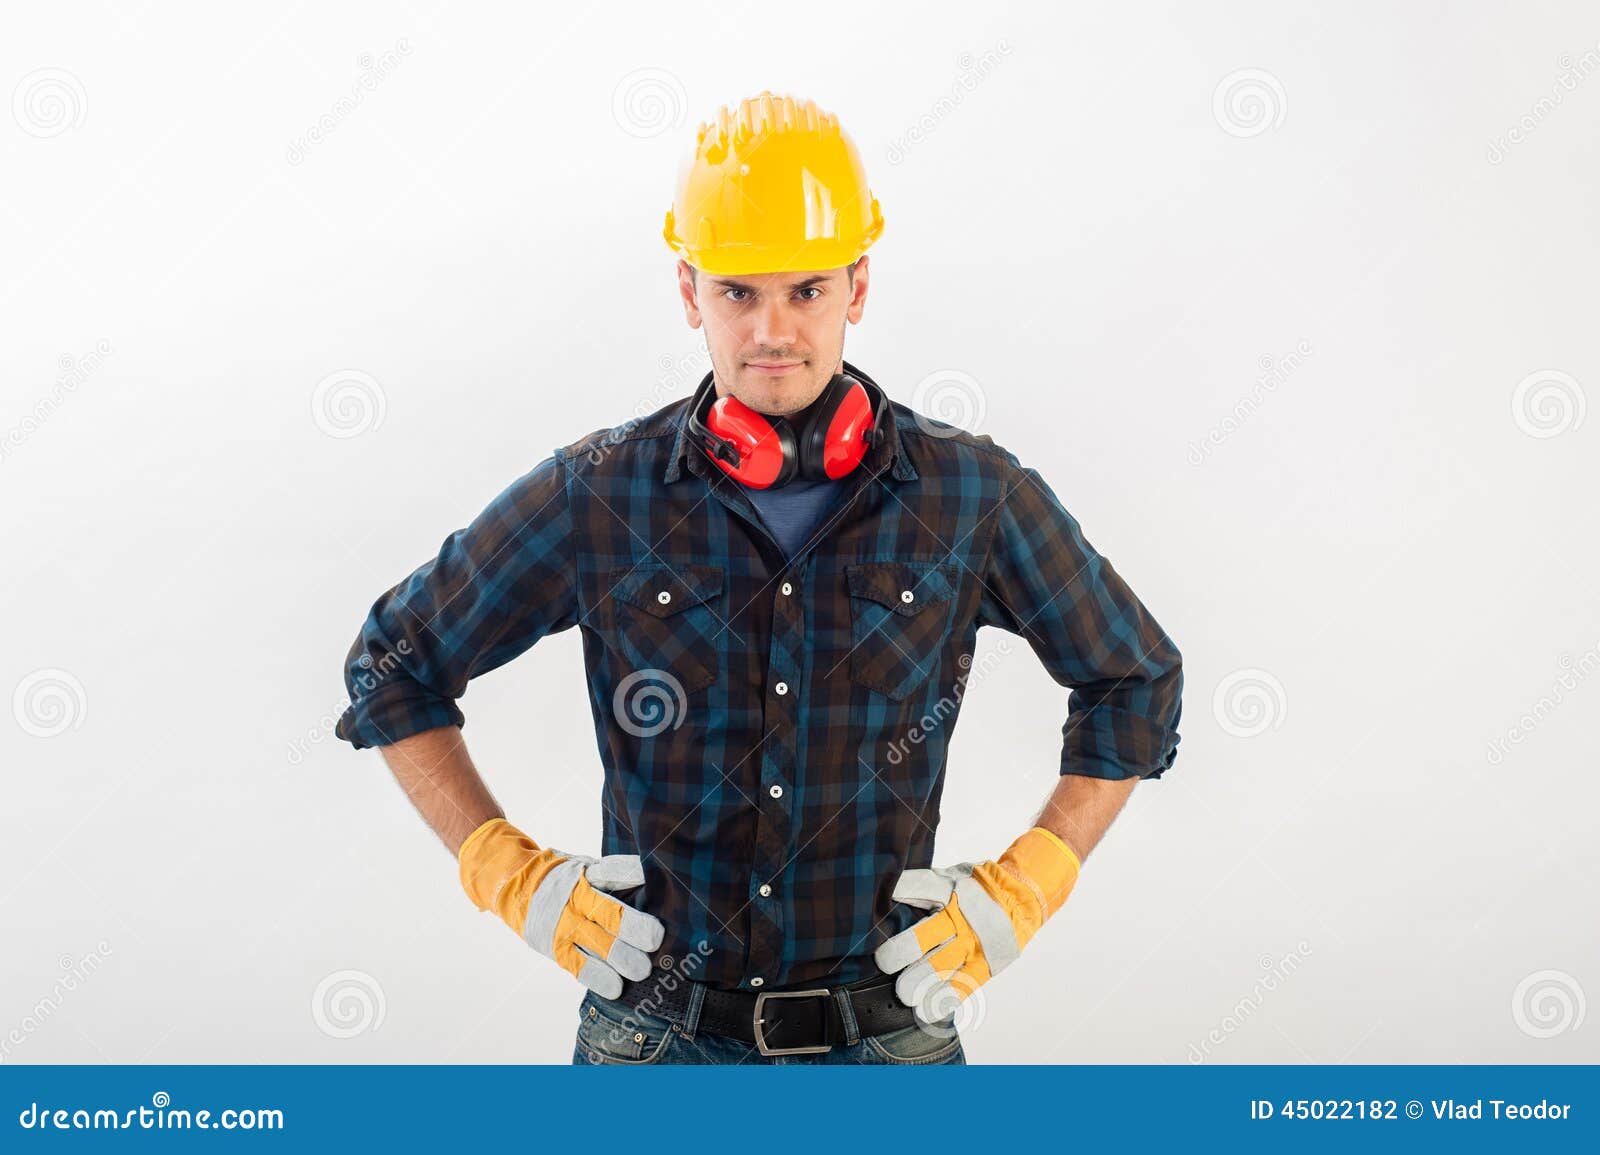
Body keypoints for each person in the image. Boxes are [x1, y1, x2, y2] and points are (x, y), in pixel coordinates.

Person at [334, 90, 1184, 1065]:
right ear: (688, 289)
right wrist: (503, 872)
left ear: (857, 287)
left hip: (889, 1033)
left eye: (806, 290)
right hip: (654, 1038)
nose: (772, 330)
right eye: (739, 291)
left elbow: (1135, 677)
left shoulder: (971, 496)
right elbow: (392, 665)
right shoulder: (601, 493)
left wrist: (1035, 876)